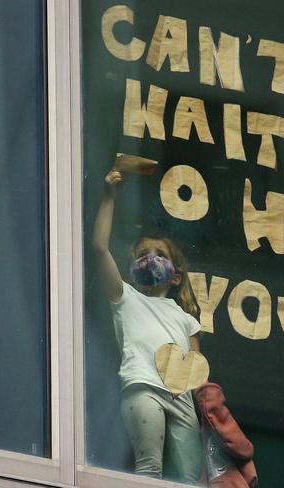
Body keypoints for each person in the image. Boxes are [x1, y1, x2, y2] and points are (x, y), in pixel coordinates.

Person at [92, 169, 204, 484]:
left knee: (191, 478)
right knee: (149, 469)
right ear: (131, 267)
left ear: (176, 276)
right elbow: (100, 247)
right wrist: (109, 197)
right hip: (143, 388)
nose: (151, 259)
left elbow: (196, 372)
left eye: (160, 255)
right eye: (143, 255)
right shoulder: (125, 298)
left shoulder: (187, 319)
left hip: (181, 400)